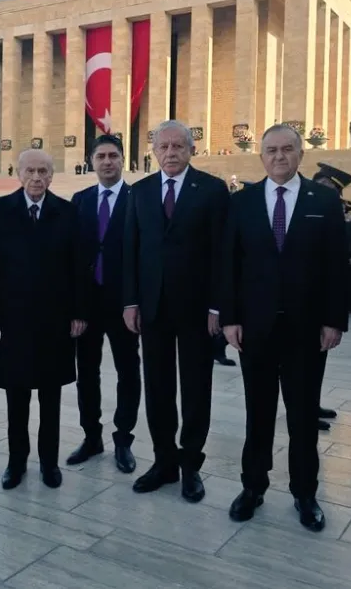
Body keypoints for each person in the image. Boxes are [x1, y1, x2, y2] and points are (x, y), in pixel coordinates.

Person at [220, 124, 348, 530]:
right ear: (261, 157)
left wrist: (334, 320)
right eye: (272, 150)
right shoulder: (241, 203)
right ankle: (253, 486)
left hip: (306, 329)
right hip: (255, 329)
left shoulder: (324, 200)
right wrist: (230, 319)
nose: (279, 157)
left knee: (303, 416)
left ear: (300, 155)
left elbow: (335, 265)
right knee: (258, 412)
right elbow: (230, 267)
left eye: (287, 149)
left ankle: (305, 492)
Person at [122, 119, 229, 502]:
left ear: (191, 150)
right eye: (163, 147)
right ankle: (164, 460)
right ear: (154, 152)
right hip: (153, 307)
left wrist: (218, 306)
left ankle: (190, 466)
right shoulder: (141, 191)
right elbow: (131, 249)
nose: (170, 153)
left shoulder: (213, 191)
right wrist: (131, 301)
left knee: (197, 388)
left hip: (198, 309)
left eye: (177, 146)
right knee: (158, 387)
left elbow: (222, 253)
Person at [0, 149, 89, 490]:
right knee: (17, 398)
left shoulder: (67, 212)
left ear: (52, 175)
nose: (37, 177)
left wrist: (79, 312)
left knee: (51, 398)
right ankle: (16, 462)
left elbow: (79, 268)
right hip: (14, 319)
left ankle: (49, 463)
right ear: (18, 173)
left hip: (55, 320)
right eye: (30, 171)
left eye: (43, 171)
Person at [67, 134, 142, 473]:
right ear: (91, 161)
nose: (108, 161)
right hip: (87, 303)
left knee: (128, 370)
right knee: (88, 373)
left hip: (124, 304)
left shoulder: (138, 198)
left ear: (123, 159)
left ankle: (123, 438)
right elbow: (71, 255)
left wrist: (136, 301)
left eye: (113, 155)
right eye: (101, 156)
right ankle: (91, 435)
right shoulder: (79, 200)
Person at [311, 163, 351, 430]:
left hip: (323, 299)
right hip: (304, 298)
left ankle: (312, 403)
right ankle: (306, 409)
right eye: (327, 188)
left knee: (318, 358)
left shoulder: (329, 209)